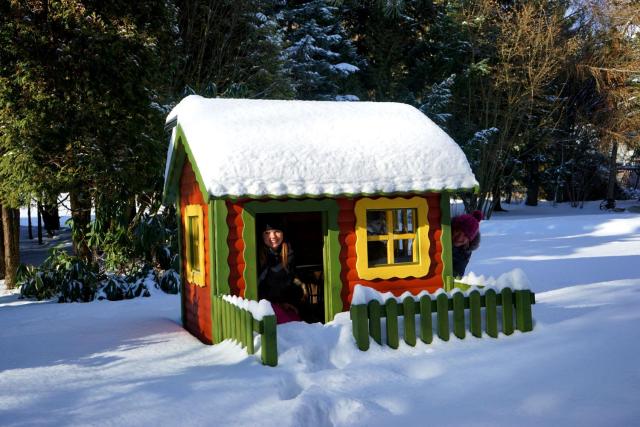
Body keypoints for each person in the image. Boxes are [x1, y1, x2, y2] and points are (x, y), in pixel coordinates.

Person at [258, 216, 304, 324]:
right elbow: (258, 285)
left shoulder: (290, 253)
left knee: (296, 323)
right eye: (267, 232)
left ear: (283, 233)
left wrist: (286, 302)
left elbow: (294, 283)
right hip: (264, 305)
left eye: (277, 231)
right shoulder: (258, 255)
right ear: (261, 236)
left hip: (285, 303)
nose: (272, 236)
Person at [451, 210, 483, 278]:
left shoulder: (465, 252)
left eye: (465, 235)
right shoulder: (441, 239)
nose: (459, 237)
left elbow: (457, 275)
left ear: (469, 241)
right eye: (457, 231)